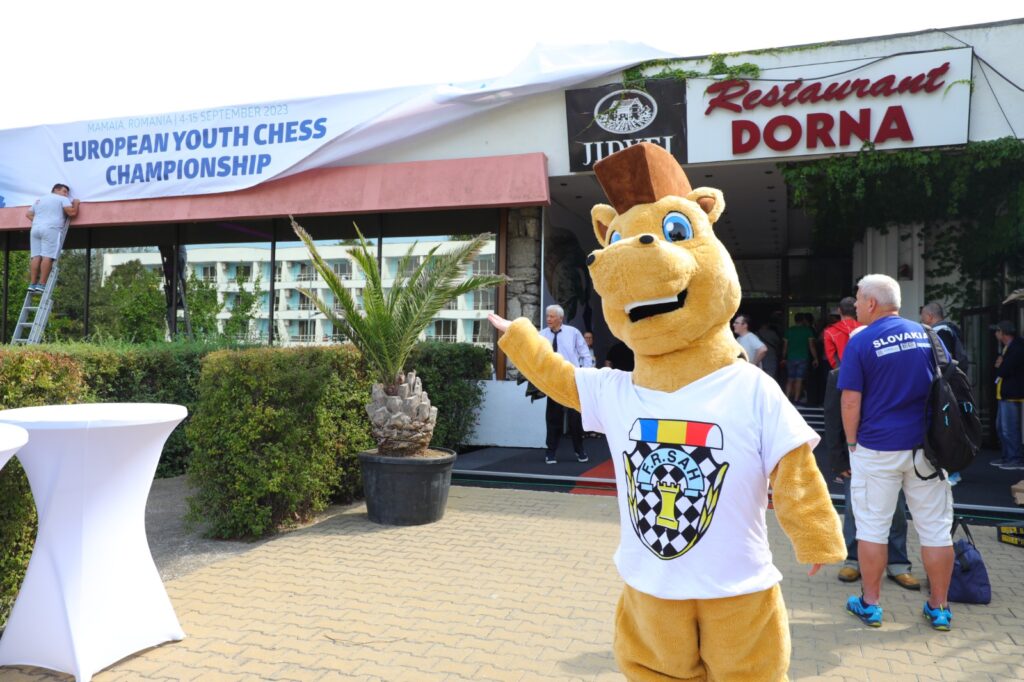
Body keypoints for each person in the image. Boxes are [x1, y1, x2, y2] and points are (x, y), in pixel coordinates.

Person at [839, 274, 955, 630]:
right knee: (936, 529)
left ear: (872, 303)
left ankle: (871, 604)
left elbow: (850, 400)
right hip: (928, 450)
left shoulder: (861, 341)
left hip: (877, 448)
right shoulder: (928, 335)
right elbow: (949, 382)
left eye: (859, 299)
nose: (856, 305)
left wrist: (851, 444)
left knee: (872, 528)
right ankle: (939, 607)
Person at [827, 320, 918, 591]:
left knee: (897, 510)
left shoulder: (892, 373)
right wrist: (839, 460)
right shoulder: (837, 376)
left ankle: (898, 564)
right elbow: (832, 421)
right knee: (855, 509)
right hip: (855, 456)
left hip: (889, 451)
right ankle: (853, 560)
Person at [920, 302, 969, 484]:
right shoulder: (949, 330)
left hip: (946, 389)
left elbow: (943, 363)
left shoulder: (941, 333)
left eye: (923, 316)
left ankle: (952, 471)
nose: (921, 319)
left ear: (930, 316)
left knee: (947, 428)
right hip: (949, 387)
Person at [539, 304, 591, 464]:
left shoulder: (573, 332)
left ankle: (579, 450)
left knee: (576, 418)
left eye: (552, 316)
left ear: (560, 318)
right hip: (553, 381)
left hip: (572, 379)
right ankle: (551, 452)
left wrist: (585, 375)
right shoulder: (542, 335)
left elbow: (585, 354)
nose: (548, 319)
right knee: (553, 417)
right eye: (547, 316)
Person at [26, 183, 79, 293]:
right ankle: (42, 284)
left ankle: (32, 284)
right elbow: (72, 213)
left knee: (36, 256)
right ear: (56, 190)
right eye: (64, 191)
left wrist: (40, 221)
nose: (66, 194)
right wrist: (76, 203)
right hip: (51, 229)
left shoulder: (40, 199)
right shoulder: (62, 199)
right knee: (48, 256)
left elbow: (28, 214)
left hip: (35, 229)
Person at [991, 321, 1024, 470]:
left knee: (1009, 428)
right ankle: (1007, 456)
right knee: (1001, 427)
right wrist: (1000, 365)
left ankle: (1015, 458)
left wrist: (1001, 364)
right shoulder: (1008, 347)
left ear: (1003, 333)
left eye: (997, 331)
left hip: (1011, 394)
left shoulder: (1017, 347)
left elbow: (1005, 369)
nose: (995, 334)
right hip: (1004, 393)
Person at [783, 313, 819, 403]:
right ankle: (796, 400)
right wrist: (815, 358)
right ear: (802, 320)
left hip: (790, 357)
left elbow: (785, 346)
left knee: (790, 379)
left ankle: (786, 399)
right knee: (799, 379)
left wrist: (783, 357)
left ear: (795, 320)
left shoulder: (789, 331)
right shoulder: (807, 331)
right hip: (803, 357)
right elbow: (811, 346)